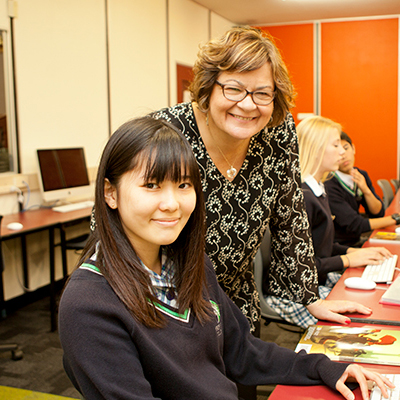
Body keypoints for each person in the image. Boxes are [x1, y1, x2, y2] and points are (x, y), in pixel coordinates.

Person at [59, 116, 394, 400]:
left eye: (183, 185)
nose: (172, 203)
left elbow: (242, 351)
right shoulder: (90, 304)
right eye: (151, 185)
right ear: (110, 193)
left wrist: (324, 366)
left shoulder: (190, 265)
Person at [151, 26, 372, 334]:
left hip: (236, 300)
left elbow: (290, 214)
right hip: (163, 302)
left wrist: (310, 299)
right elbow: (115, 225)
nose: (247, 104)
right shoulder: (163, 132)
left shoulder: (276, 131)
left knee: (242, 377)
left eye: (262, 93)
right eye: (233, 89)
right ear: (208, 87)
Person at [265, 116, 392, 326]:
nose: (342, 152)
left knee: (374, 300)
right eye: (335, 145)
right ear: (315, 149)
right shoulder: (303, 196)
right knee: (364, 321)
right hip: (293, 293)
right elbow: (301, 265)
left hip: (315, 280)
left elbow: (318, 244)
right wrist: (349, 260)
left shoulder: (317, 190)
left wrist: (354, 252)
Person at [325, 131, 400, 247]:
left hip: (356, 239)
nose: (343, 155)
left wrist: (366, 190)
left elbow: (378, 213)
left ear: (353, 148)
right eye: (338, 151)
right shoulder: (329, 184)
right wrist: (396, 219)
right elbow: (355, 224)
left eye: (346, 148)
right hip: (340, 246)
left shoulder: (361, 175)